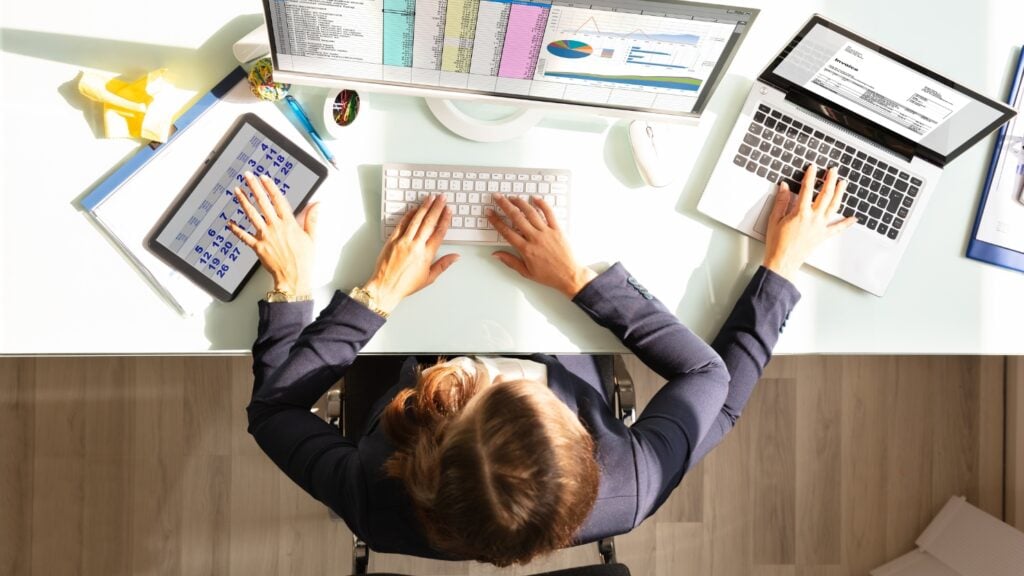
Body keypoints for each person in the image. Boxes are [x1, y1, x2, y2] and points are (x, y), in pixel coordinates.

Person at [230, 165, 854, 566]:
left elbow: (273, 409)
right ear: (587, 446)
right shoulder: (629, 485)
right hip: (560, 317)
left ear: (426, 441)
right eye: (520, 391)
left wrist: (343, 291)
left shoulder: (371, 495)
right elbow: (718, 387)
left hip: (407, 343)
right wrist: (583, 284)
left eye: (485, 387)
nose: (503, 369)